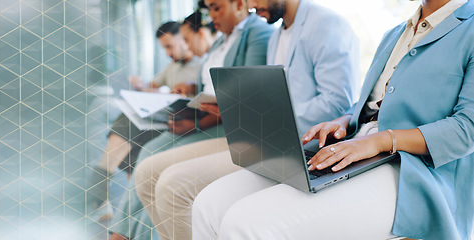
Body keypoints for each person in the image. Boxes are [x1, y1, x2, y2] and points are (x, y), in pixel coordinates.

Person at [192, 0, 474, 239]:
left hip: (412, 171)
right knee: (207, 205)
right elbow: (371, 106)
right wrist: (344, 122)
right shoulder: (395, 34)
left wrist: (378, 140)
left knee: (245, 224)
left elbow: (468, 129)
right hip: (353, 150)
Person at [133, 0, 360, 239]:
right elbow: (274, 96)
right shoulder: (276, 36)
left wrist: (268, 120)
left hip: (294, 144)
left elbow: (337, 104)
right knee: (147, 172)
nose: (250, 5)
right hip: (260, 134)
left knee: (174, 185)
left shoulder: (325, 24)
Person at [108, 1, 275, 239]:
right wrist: (191, 88)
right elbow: (209, 83)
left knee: (161, 172)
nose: (211, 15)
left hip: (222, 125)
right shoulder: (221, 41)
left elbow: (247, 95)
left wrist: (197, 124)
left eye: (216, 8)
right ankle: (123, 231)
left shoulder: (258, 33)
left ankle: (132, 235)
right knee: (148, 152)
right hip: (202, 117)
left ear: (239, 4)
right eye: (209, 9)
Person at [87, 21, 204, 221]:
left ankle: (102, 182)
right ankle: (130, 208)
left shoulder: (202, 65)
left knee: (129, 133)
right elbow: (153, 86)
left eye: (170, 46)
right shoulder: (173, 66)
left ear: (185, 39)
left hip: (184, 124)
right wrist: (139, 86)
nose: (167, 52)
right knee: (129, 121)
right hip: (165, 118)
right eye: (164, 48)